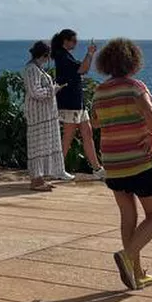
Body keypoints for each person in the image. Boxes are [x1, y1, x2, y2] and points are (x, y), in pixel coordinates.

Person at [92, 38, 152, 290]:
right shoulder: (136, 87)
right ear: (133, 62)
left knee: (128, 216)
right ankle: (127, 256)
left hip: (114, 163)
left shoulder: (100, 91)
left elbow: (95, 122)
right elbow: (151, 114)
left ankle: (136, 273)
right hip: (141, 163)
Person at [50, 29, 104, 180]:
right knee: (68, 136)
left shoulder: (66, 55)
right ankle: (57, 168)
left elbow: (81, 69)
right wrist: (90, 53)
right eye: (73, 40)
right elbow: (83, 69)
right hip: (69, 103)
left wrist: (90, 54)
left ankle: (97, 169)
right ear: (65, 41)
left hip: (77, 102)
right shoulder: (62, 56)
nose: (76, 43)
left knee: (87, 133)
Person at [21, 41, 64, 192]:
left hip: (45, 114)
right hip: (38, 115)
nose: (48, 59)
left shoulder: (37, 68)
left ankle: (40, 178)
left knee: (44, 145)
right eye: (48, 56)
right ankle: (36, 180)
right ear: (44, 55)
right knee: (37, 146)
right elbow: (35, 92)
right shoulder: (32, 69)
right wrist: (53, 90)